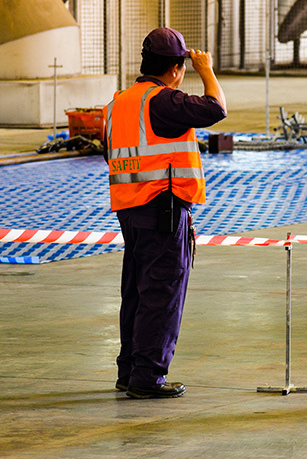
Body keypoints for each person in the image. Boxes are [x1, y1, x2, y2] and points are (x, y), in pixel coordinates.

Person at [104, 27, 227, 399]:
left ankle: (130, 371)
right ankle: (147, 377)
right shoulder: (164, 102)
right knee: (162, 292)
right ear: (175, 68)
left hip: (129, 209)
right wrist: (205, 69)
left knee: (138, 292)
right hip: (164, 208)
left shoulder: (118, 103)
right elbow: (217, 108)